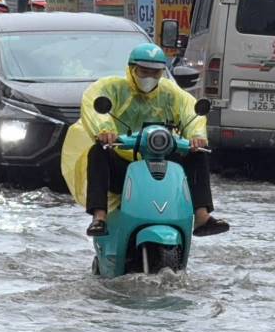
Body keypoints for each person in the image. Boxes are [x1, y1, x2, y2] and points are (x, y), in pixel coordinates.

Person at [61, 43, 230, 238]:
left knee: (199, 153)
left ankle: (202, 216)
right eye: (144, 71)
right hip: (122, 164)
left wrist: (197, 137)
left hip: (162, 161)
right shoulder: (113, 88)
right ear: (132, 69)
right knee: (98, 152)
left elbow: (190, 111)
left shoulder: (170, 93)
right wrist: (105, 130)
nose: (149, 77)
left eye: (155, 72)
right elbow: (94, 103)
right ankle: (99, 217)